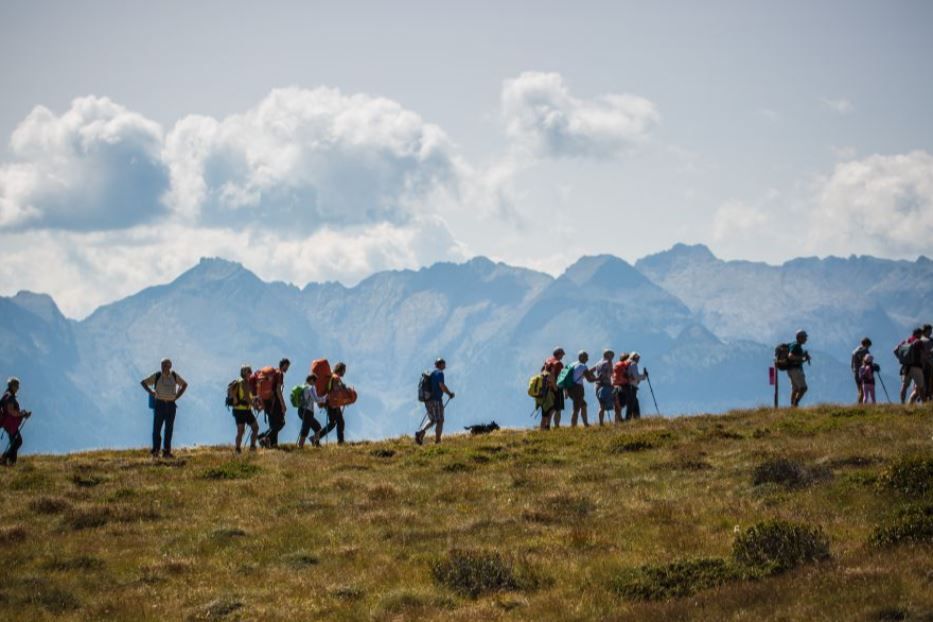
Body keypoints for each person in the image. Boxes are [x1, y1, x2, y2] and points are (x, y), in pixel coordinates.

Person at [140, 358, 188, 458]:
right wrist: (151, 392)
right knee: (157, 428)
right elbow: (143, 383)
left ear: (170, 366)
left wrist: (177, 396)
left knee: (169, 429)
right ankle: (156, 451)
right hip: (160, 404)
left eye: (165, 365)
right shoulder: (157, 375)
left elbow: (184, 384)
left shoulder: (174, 376)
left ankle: (166, 452)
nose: (163, 367)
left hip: (171, 405)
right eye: (162, 365)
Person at [415, 358, 454, 445]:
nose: (445, 365)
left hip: (427, 400)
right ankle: (438, 441)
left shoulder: (431, 373)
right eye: (444, 363)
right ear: (440, 364)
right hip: (436, 400)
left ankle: (420, 432)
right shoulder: (440, 373)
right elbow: (441, 386)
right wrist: (449, 393)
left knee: (432, 420)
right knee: (440, 420)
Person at [257, 358, 290, 448]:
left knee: (273, 424)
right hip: (275, 402)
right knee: (280, 423)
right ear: (283, 365)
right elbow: (278, 390)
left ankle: (273, 445)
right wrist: (283, 405)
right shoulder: (279, 374)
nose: (287, 368)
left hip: (267, 402)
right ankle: (263, 437)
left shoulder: (273, 373)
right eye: (287, 366)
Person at [1, 377, 31, 466]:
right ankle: (4, 458)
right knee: (18, 442)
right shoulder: (9, 396)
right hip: (9, 424)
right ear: (12, 386)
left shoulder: (7, 395)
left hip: (7, 423)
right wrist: (22, 414)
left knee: (14, 442)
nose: (18, 388)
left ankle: (11, 463)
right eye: (16, 385)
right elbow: (11, 411)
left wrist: (22, 414)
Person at [229, 364, 259, 453]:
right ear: (245, 373)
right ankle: (252, 447)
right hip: (245, 411)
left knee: (240, 431)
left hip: (238, 410)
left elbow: (246, 397)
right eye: (249, 371)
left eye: (250, 371)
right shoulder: (244, 382)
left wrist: (255, 398)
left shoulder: (239, 381)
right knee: (255, 428)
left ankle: (238, 449)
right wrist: (255, 406)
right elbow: (246, 397)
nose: (250, 373)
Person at [320, 362, 350, 444]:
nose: (345, 372)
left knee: (335, 423)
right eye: (344, 370)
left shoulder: (332, 376)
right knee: (337, 423)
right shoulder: (336, 377)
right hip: (333, 403)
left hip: (330, 403)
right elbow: (335, 389)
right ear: (341, 370)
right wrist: (344, 391)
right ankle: (340, 442)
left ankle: (316, 438)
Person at [568, 351, 596, 427]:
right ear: (581, 357)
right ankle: (573, 427)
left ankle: (586, 424)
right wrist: (598, 379)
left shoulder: (573, 364)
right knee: (576, 409)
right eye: (586, 357)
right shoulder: (583, 366)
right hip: (577, 388)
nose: (587, 359)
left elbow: (578, 375)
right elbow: (589, 380)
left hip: (570, 388)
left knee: (583, 405)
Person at [298, 373, 326, 448]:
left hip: (301, 410)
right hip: (307, 411)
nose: (315, 383)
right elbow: (316, 399)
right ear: (311, 380)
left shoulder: (303, 386)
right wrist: (325, 398)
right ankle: (300, 447)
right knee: (305, 429)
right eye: (314, 381)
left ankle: (315, 443)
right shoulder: (310, 388)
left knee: (317, 427)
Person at [899, 328, 926, 404]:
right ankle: (925, 404)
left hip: (906, 367)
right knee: (920, 387)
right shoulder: (918, 342)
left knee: (904, 386)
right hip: (916, 366)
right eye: (920, 334)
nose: (921, 336)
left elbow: (895, 350)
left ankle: (902, 403)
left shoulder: (905, 342)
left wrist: (901, 360)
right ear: (918, 334)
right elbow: (923, 354)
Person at [542, 347, 566, 428]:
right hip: (556, 387)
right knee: (558, 408)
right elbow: (560, 377)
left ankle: (547, 425)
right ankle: (556, 426)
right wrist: (560, 388)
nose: (563, 355)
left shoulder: (548, 360)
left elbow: (542, 370)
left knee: (550, 407)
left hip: (547, 386)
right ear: (559, 354)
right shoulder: (558, 363)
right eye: (562, 353)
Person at [786, 330, 811, 407]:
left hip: (791, 370)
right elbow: (790, 356)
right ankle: (795, 404)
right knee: (803, 388)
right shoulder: (796, 345)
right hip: (795, 370)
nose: (806, 339)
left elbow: (797, 359)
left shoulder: (792, 345)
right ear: (799, 337)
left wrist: (804, 358)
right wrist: (802, 357)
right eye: (804, 337)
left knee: (795, 389)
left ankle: (792, 407)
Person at [593, 349, 616, 426]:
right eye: (611, 355)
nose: (612, 357)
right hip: (606, 386)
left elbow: (589, 371)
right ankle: (617, 422)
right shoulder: (608, 362)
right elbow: (610, 375)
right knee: (616, 403)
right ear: (608, 355)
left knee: (602, 406)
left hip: (598, 387)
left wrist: (595, 379)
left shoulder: (598, 363)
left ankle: (601, 423)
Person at [626, 352, 648, 419]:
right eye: (638, 358)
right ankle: (631, 419)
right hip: (632, 387)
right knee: (633, 403)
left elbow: (634, 377)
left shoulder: (628, 364)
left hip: (627, 386)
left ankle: (634, 419)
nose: (638, 360)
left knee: (633, 402)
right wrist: (644, 376)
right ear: (634, 357)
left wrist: (641, 377)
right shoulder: (633, 364)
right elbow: (636, 377)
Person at [851, 337, 872, 403]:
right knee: (863, 391)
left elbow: (852, 364)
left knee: (860, 390)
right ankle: (860, 407)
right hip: (862, 373)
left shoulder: (854, 351)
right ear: (866, 344)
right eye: (868, 346)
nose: (868, 348)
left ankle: (859, 405)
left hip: (855, 373)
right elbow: (868, 362)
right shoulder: (865, 351)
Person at [612, 353, 631, 422]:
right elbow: (626, 374)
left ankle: (616, 422)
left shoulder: (616, 365)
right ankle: (621, 420)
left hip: (615, 385)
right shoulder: (624, 364)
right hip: (622, 386)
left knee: (617, 405)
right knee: (622, 404)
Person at [921, 324, 932, 401]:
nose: (931, 332)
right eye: (930, 331)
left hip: (921, 365)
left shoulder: (919, 340)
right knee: (928, 382)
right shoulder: (928, 341)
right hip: (928, 364)